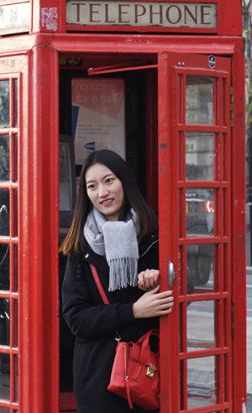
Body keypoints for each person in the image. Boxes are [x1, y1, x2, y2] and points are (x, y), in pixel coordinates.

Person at [60, 149, 174, 413]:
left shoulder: (155, 233)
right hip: (99, 377)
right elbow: (75, 318)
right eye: (92, 186)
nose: (102, 192)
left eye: (109, 180)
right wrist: (133, 310)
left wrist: (160, 280)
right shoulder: (79, 244)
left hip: (149, 372)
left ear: (124, 180)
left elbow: (182, 294)